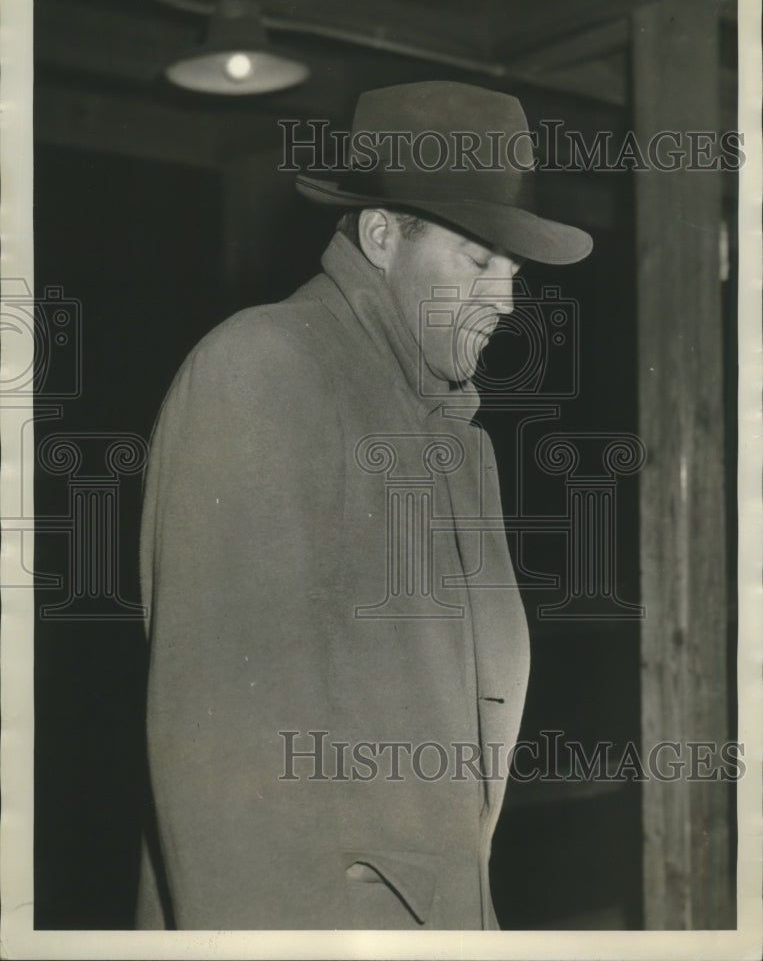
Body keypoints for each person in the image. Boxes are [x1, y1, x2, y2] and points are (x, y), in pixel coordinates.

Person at [136, 81, 592, 930]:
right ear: (382, 236)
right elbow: (219, 759)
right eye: (476, 261)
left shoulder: (457, 437)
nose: (504, 299)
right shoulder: (264, 368)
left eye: (513, 271)